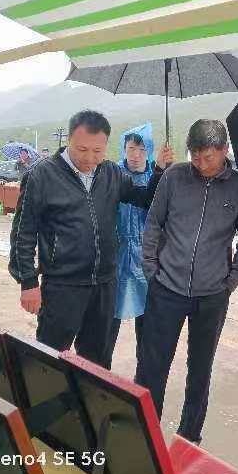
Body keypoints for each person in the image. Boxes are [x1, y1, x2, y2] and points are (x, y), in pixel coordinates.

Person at [9, 110, 173, 368]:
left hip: (105, 284)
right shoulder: (42, 175)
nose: (89, 158)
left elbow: (144, 199)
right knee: (50, 357)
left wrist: (160, 171)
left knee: (97, 361)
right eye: (82, 149)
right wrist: (28, 281)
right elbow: (23, 231)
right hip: (63, 285)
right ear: (69, 140)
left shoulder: (111, 173)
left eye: (97, 151)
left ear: (107, 146)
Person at [136, 119, 238, 444]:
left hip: (212, 295)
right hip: (166, 289)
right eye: (195, 157)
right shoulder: (174, 177)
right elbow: (154, 223)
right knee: (152, 366)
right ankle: (144, 434)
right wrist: (151, 270)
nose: (201, 165)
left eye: (208, 158)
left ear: (224, 150)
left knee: (200, 369)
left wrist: (232, 279)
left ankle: (189, 437)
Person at [103, 125, 154, 368]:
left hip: (145, 259)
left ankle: (144, 375)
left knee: (147, 322)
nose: (135, 155)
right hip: (115, 256)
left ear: (149, 151)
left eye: (142, 150)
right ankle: (100, 371)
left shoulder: (157, 178)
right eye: (131, 148)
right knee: (107, 319)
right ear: (123, 148)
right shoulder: (111, 175)